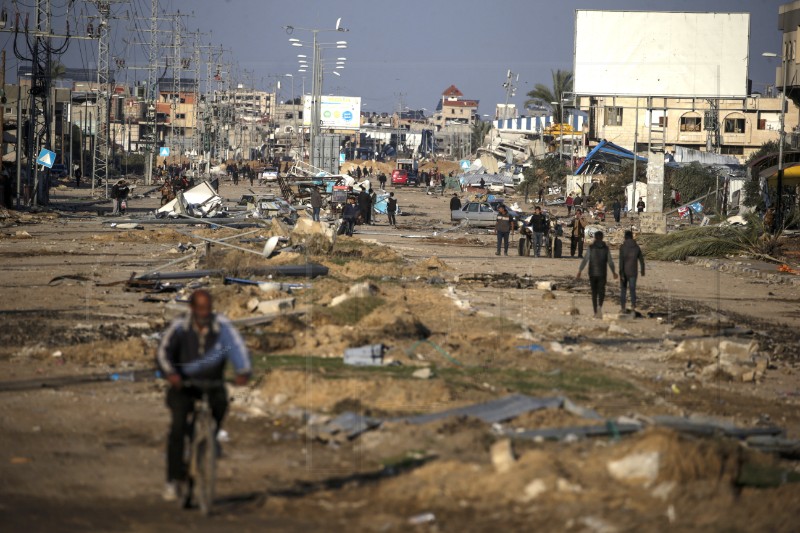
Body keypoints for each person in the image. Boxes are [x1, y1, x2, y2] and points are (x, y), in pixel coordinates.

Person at [156, 289, 251, 502]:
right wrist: (171, 374)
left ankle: (212, 436)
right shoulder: (180, 326)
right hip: (184, 386)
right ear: (192, 308)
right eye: (200, 308)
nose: (205, 312)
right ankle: (173, 479)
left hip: (212, 383)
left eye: (208, 308)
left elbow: (238, 348)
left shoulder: (221, 326)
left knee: (221, 404)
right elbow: (164, 352)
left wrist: (242, 371)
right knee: (178, 428)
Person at [576, 231, 618, 319]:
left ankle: (595, 311)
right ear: (602, 238)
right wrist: (614, 272)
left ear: (595, 237)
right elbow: (610, 261)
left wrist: (580, 270)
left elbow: (585, 260)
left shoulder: (591, 247)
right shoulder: (605, 248)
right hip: (602, 273)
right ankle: (600, 306)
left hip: (592, 273)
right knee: (601, 291)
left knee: (594, 293)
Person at [618, 230, 645, 314]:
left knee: (623, 290)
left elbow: (621, 261)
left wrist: (621, 273)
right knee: (632, 290)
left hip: (624, 272)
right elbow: (641, 260)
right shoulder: (636, 247)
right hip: (633, 271)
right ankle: (633, 306)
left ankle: (623, 307)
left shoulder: (623, 247)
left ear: (625, 237)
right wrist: (642, 270)